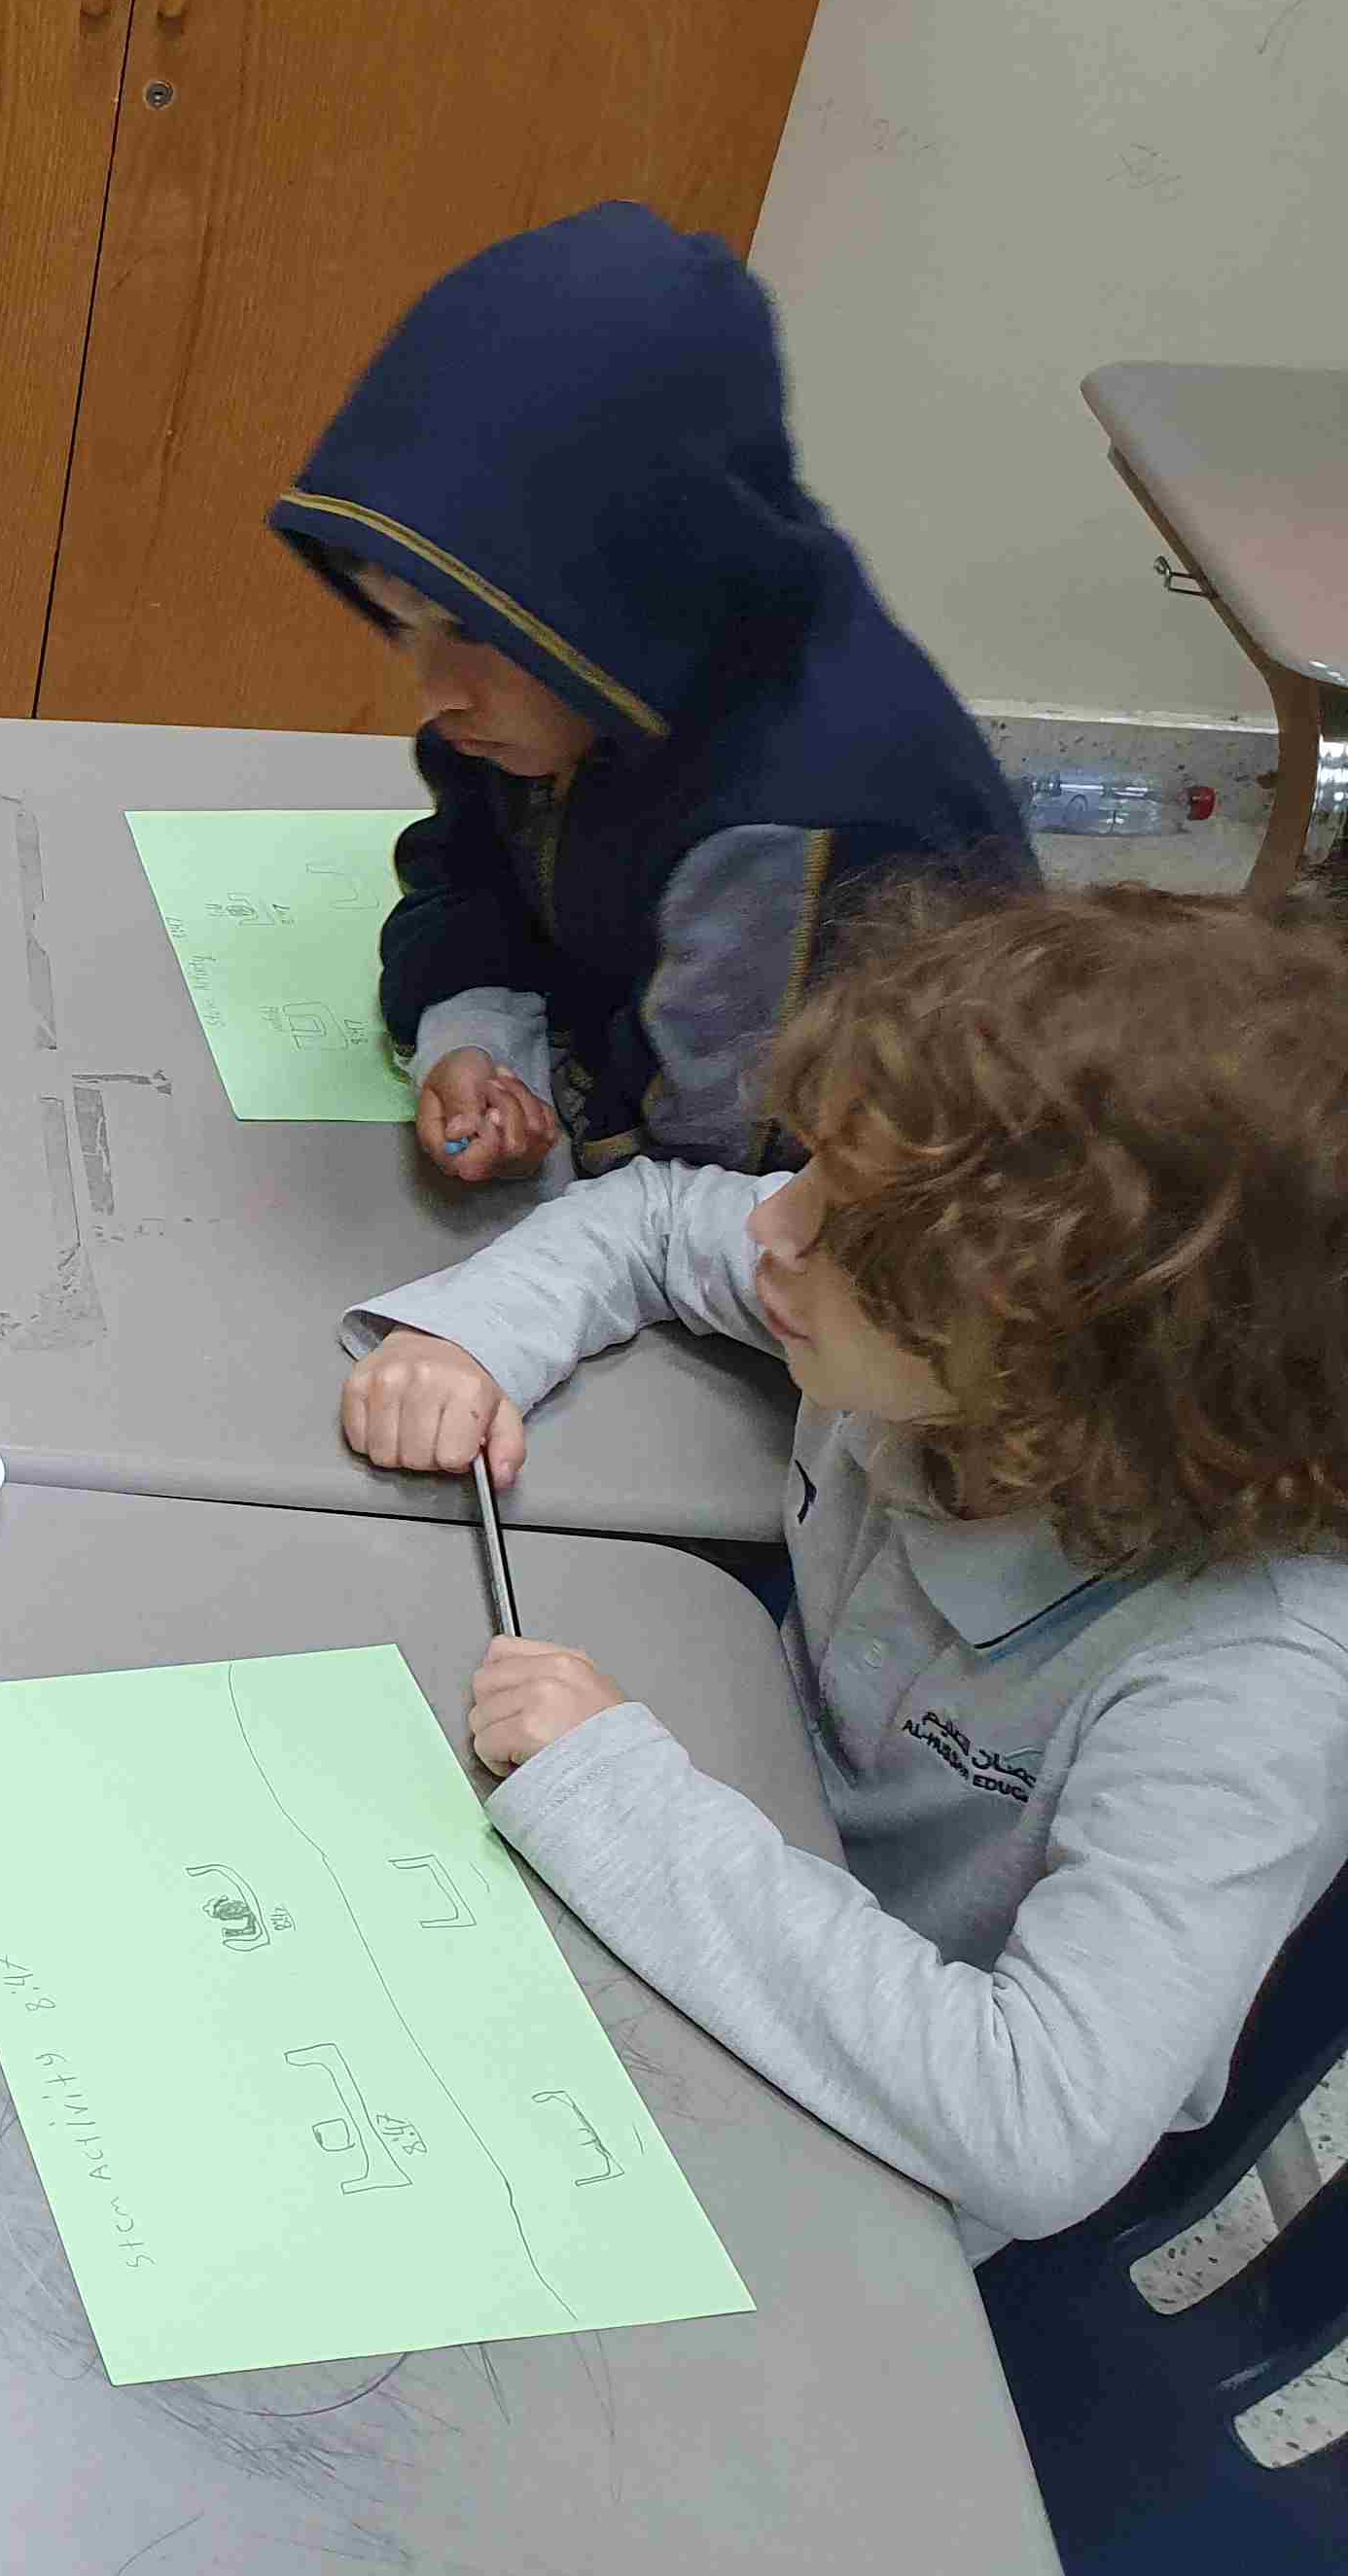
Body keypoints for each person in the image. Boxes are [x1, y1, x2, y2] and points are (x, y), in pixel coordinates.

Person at [337, 883, 1348, 2249]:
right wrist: (475, 1340)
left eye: (842, 1223)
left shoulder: (1252, 1687)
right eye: (813, 1172)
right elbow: (656, 1217)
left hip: (871, 2131)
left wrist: (620, 1799)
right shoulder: (948, 1331)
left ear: (1070, 1367)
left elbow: (1037, 2129)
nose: (776, 1227)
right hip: (731, 1872)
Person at [270, 202, 1031, 1188]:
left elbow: (712, 1191)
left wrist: (558, 1146)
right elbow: (473, 873)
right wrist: (474, 1036)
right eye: (403, 625)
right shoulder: (562, 688)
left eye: (466, 629)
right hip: (645, 1082)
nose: (435, 695)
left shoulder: (793, 827)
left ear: (628, 590)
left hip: (833, 1211)